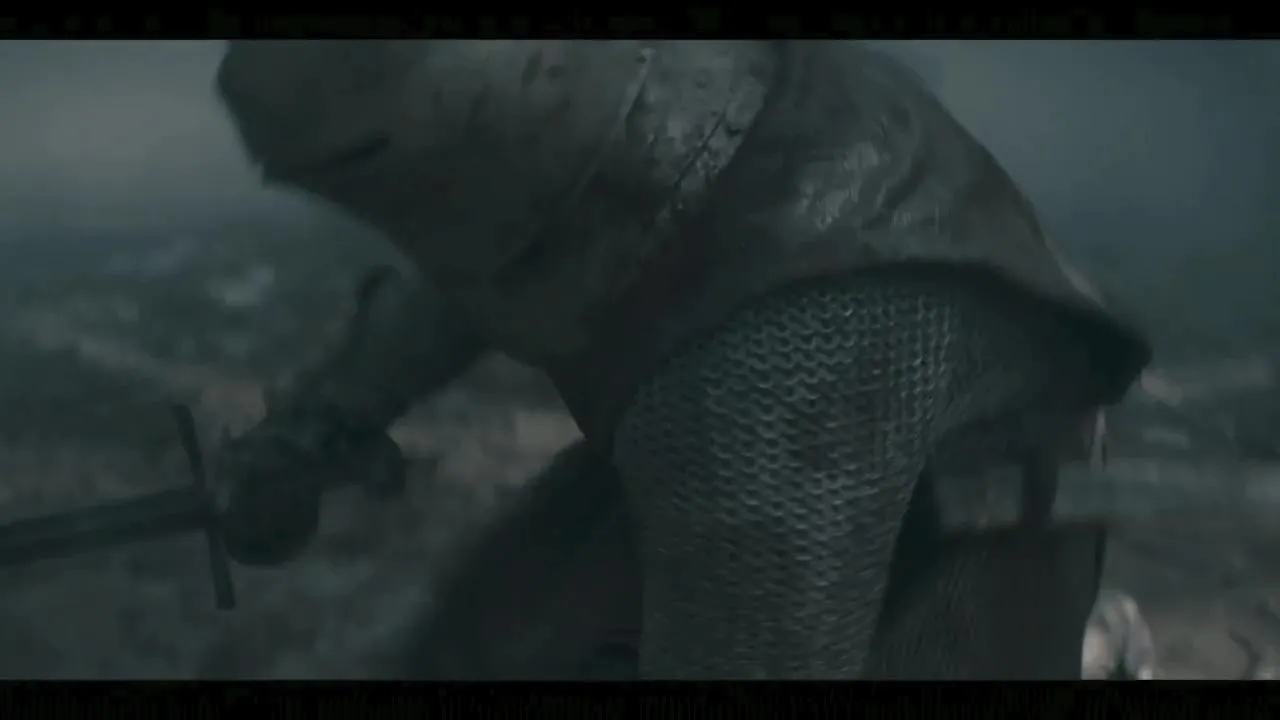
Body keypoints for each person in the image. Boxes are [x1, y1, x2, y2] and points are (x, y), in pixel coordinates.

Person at [213, 40, 1152, 679]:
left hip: (949, 517)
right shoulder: (613, 100)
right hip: (755, 439)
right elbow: (487, 242)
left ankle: (1084, 653)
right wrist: (319, 424)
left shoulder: (774, 363)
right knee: (496, 647)